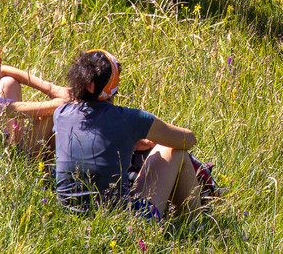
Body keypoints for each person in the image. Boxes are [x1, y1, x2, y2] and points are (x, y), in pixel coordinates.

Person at [52, 49, 204, 218]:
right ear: (114, 87)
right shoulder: (130, 119)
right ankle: (193, 223)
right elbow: (188, 140)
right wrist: (149, 134)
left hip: (69, 216)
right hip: (121, 222)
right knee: (176, 151)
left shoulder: (61, 114)